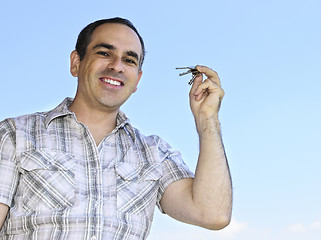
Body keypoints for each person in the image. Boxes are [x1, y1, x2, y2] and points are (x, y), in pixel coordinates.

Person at [0, 17, 232, 239]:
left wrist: (207, 119)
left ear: (137, 80)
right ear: (76, 63)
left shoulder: (154, 153)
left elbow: (212, 214)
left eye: (129, 60)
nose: (116, 66)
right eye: (104, 53)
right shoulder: (16, 134)